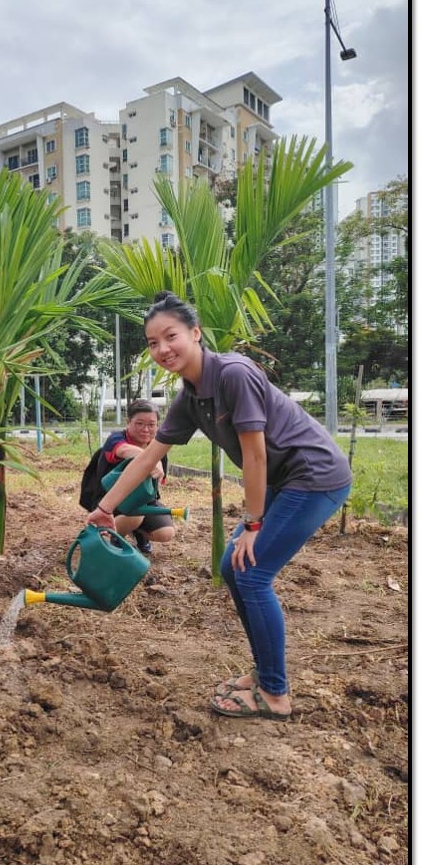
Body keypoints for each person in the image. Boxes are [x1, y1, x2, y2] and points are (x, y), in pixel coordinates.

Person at [88, 292, 352, 720]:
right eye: (153, 343)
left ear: (195, 333)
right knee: (234, 568)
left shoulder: (233, 374)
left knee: (252, 574)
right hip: (285, 481)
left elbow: (255, 455)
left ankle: (276, 694)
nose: (162, 349)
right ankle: (266, 671)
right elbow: (150, 456)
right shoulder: (191, 397)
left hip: (314, 477)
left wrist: (253, 524)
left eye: (170, 336)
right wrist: (105, 508)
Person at [98, 399, 175, 555]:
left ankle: (140, 534)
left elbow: (156, 486)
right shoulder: (116, 439)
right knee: (135, 516)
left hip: (142, 500)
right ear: (128, 422)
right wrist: (152, 460)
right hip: (110, 501)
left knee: (166, 533)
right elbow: (124, 450)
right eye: (139, 423)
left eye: (151, 425)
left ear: (157, 425)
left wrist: (156, 459)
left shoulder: (158, 447)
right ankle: (114, 537)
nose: (145, 429)